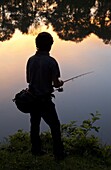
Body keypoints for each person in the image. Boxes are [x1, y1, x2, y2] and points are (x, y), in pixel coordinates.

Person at [26, 32, 64, 160]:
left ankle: (35, 150)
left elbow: (28, 80)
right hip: (45, 100)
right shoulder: (51, 62)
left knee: (34, 125)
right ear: (50, 45)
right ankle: (58, 154)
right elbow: (56, 83)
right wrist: (60, 83)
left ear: (37, 45)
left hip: (32, 99)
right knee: (55, 126)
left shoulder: (30, 60)